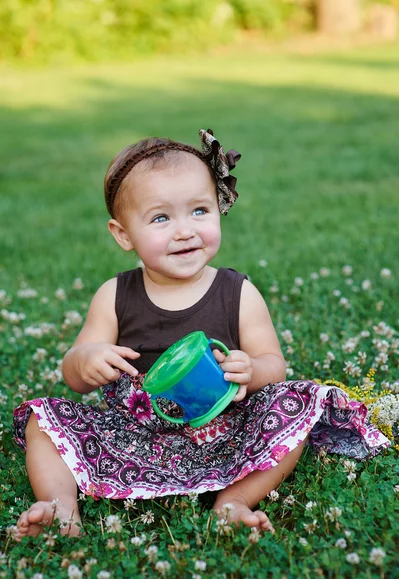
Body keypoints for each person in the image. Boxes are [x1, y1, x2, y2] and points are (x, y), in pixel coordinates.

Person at [13, 129, 390, 540]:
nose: (185, 231)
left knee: (297, 401)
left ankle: (234, 501)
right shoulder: (114, 295)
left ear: (219, 207)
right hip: (133, 437)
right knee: (43, 419)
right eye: (161, 218)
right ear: (123, 234)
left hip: (225, 431)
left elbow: (274, 366)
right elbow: (73, 373)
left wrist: (250, 369)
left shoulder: (238, 292)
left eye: (199, 211)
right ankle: (60, 508)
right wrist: (86, 360)